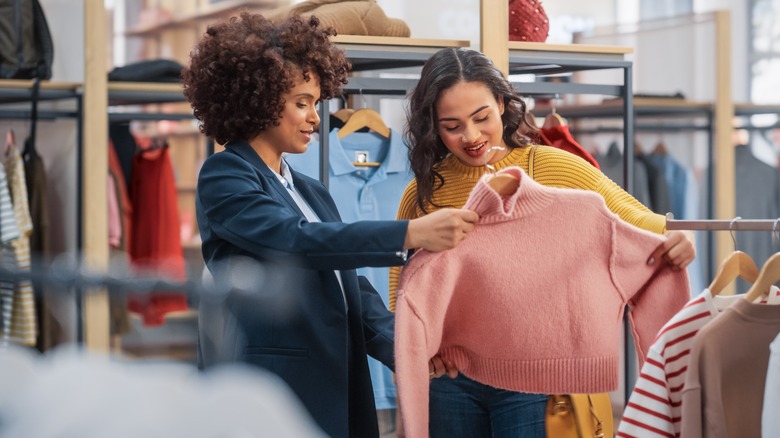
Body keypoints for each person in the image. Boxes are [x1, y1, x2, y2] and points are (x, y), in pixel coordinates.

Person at [182, 13, 478, 438]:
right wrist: (409, 233)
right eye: (301, 103)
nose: (315, 119)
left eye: (315, 104)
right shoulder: (224, 174)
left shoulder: (311, 190)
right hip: (273, 384)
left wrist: (408, 347)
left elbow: (350, 286)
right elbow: (294, 241)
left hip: (335, 376)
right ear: (258, 99)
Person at [388, 47, 697, 437]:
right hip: (451, 380)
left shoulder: (554, 167)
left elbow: (636, 222)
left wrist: (675, 236)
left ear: (501, 103)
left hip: (534, 382)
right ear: (433, 125)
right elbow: (402, 291)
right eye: (452, 125)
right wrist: (416, 360)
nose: (471, 136)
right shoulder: (422, 193)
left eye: (481, 117)